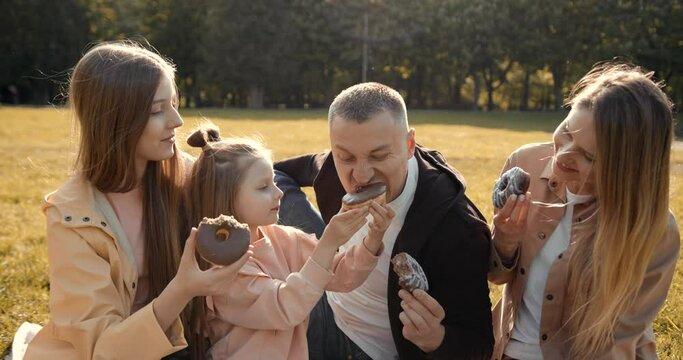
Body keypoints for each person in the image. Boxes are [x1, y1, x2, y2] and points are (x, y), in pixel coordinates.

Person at [18, 41, 251, 360]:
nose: (177, 121)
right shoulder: (71, 216)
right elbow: (102, 350)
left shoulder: (186, 176)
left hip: (189, 339)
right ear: (116, 120)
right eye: (157, 110)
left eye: (173, 103)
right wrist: (183, 289)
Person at [274, 82, 494, 359]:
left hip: (374, 349)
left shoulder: (457, 228)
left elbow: (480, 345)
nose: (362, 175)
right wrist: (295, 247)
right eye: (346, 157)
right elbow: (277, 174)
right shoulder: (332, 167)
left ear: (409, 144)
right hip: (323, 299)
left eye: (378, 156)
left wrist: (435, 339)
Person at [489, 63, 680, 359]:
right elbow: (496, 275)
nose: (563, 155)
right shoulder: (525, 163)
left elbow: (614, 342)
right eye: (567, 131)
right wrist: (505, 238)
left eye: (588, 155)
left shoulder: (654, 231)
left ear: (626, 170)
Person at [183, 126, 395, 359]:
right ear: (225, 196)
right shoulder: (223, 270)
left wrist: (372, 239)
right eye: (263, 187)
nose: (279, 193)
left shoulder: (283, 239)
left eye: (274, 182)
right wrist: (328, 242)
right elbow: (285, 307)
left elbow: (341, 275)